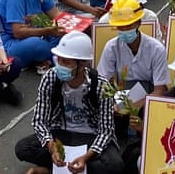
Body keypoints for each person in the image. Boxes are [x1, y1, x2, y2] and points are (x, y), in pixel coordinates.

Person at [14, 32, 125, 174]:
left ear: (83, 63)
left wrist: (86, 157)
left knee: (115, 165)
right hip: (60, 133)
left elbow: (106, 131)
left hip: (90, 136)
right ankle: (73, 169)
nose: (60, 65)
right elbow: (39, 121)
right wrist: (51, 146)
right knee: (23, 148)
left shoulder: (100, 85)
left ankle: (51, 170)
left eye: (66, 62)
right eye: (58, 59)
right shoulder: (50, 78)